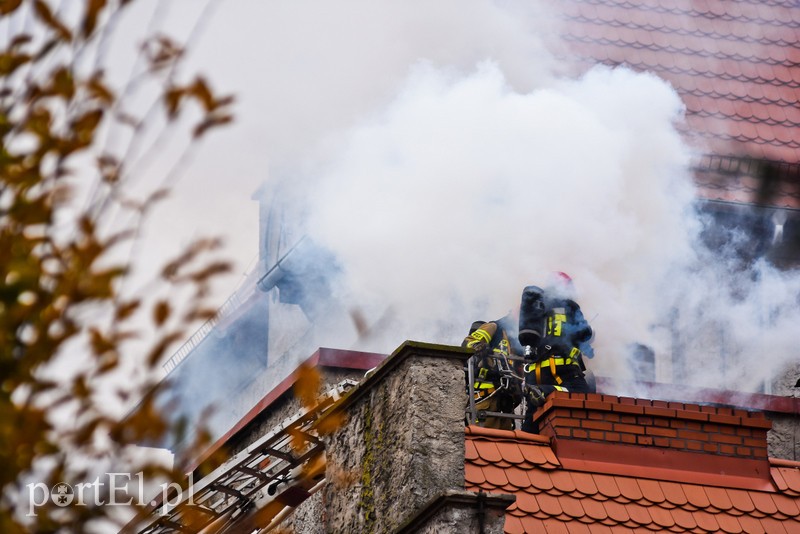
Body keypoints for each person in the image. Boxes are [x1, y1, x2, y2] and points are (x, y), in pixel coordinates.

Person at [517, 272, 595, 433]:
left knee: (533, 418)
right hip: (561, 368)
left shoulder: (538, 307)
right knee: (582, 393)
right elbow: (583, 332)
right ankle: (545, 390)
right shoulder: (570, 306)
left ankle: (524, 442)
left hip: (534, 372)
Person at [462, 314, 524, 430]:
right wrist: (480, 347)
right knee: (482, 437)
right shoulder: (494, 327)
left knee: (505, 439)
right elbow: (468, 343)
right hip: (485, 399)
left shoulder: (513, 341)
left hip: (505, 403)